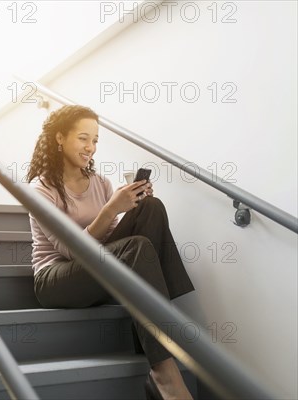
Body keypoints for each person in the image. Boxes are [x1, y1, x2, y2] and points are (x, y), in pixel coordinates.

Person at [25, 105, 196, 400]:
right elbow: (69, 251)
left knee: (151, 208)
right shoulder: (39, 189)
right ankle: (164, 374)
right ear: (59, 138)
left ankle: (153, 319)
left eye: (95, 140)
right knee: (137, 247)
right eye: (83, 138)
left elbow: (110, 239)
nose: (90, 147)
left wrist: (131, 206)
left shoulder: (100, 183)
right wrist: (110, 209)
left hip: (95, 268)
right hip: (57, 280)